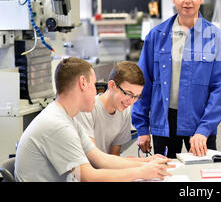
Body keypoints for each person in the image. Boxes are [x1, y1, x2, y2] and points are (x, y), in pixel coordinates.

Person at [15, 57, 173, 182]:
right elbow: (87, 176)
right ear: (83, 83)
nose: (96, 91)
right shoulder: (57, 124)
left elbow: (101, 159)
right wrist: (141, 172)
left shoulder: (67, 118)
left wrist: (146, 163)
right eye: (94, 84)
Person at [132, 0, 221, 158]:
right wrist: (142, 127)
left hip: (200, 121)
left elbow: (220, 90)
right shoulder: (156, 36)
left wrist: (204, 129)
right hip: (164, 122)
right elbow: (142, 82)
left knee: (204, 177)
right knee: (165, 173)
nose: (188, 1)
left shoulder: (217, 39)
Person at [75, 61, 144, 156]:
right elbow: (93, 158)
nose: (131, 101)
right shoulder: (87, 109)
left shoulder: (124, 111)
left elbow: (114, 155)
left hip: (105, 167)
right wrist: (142, 163)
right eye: (128, 94)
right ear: (112, 85)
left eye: (136, 96)